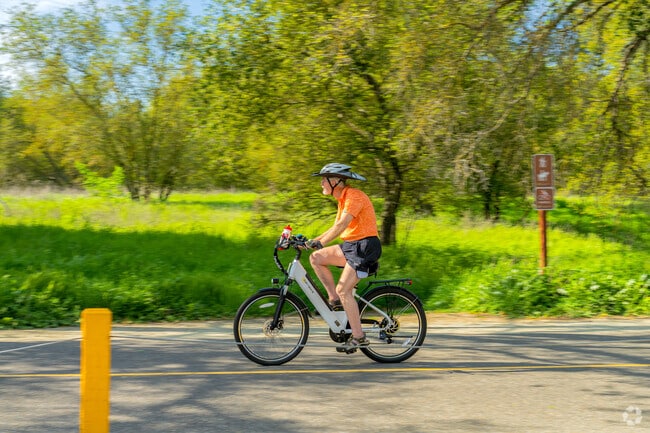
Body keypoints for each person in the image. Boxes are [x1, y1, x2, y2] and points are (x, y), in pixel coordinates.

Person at [306, 163, 382, 353]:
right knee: (316, 257)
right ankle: (335, 301)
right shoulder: (342, 199)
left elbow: (341, 225)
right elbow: (335, 228)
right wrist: (311, 242)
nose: (322, 183)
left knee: (344, 289)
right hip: (351, 246)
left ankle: (359, 337)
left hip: (364, 246)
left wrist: (321, 242)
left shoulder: (354, 196)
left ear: (336, 181)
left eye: (324, 179)